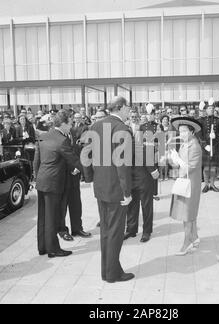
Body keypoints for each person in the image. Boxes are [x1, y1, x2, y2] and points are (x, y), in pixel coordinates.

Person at [81, 96, 134, 283]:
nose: (129, 110)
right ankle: (112, 274)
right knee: (115, 232)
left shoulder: (95, 126)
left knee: (105, 230)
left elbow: (86, 154)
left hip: (101, 186)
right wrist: (127, 192)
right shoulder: (122, 129)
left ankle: (107, 270)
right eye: (127, 107)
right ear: (119, 108)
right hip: (116, 189)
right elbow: (123, 165)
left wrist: (89, 178)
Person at [33, 109, 83, 258]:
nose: (71, 126)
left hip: (42, 181)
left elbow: (37, 160)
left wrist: (37, 178)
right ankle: (53, 249)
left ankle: (43, 247)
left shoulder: (45, 136)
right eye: (70, 123)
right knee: (52, 217)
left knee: (43, 216)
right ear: (63, 123)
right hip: (54, 183)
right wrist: (91, 172)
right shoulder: (62, 140)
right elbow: (74, 160)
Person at [168, 117, 203, 256]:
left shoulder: (194, 146)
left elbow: (190, 167)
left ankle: (186, 242)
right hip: (185, 181)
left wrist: (177, 160)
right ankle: (194, 238)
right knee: (189, 213)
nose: (181, 134)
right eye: (180, 131)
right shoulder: (185, 143)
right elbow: (178, 165)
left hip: (190, 183)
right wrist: (173, 159)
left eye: (184, 131)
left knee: (187, 214)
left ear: (192, 132)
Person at [124, 117, 160, 244]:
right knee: (131, 206)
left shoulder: (135, 142)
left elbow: (144, 154)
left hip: (143, 177)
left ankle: (147, 231)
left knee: (146, 205)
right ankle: (131, 229)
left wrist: (153, 170)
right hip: (130, 179)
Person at [58, 112, 92, 241]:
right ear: (63, 123)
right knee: (62, 204)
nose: (73, 123)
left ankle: (77, 228)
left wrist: (78, 167)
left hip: (75, 174)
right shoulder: (57, 135)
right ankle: (62, 230)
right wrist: (72, 168)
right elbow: (60, 156)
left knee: (76, 203)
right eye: (70, 121)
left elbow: (76, 151)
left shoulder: (72, 132)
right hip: (63, 175)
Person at [199, 98, 219, 193]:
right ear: (206, 110)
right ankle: (206, 185)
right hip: (205, 147)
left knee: (213, 166)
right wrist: (204, 145)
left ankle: (212, 184)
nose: (211, 110)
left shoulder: (218, 120)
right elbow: (199, 134)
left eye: (212, 108)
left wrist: (216, 136)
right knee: (206, 166)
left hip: (215, 146)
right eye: (209, 108)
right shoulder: (202, 120)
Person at [140, 103, 163, 201]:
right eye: (149, 115)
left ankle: (154, 193)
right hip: (145, 151)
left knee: (155, 170)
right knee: (145, 172)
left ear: (155, 115)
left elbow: (162, 141)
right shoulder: (142, 126)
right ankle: (146, 191)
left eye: (152, 114)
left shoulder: (158, 126)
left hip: (155, 150)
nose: (150, 116)